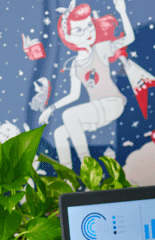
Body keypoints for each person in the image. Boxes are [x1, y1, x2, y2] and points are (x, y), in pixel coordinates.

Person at [39, 0, 135, 169]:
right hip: (97, 109)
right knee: (60, 133)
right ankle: (67, 178)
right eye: (79, 30)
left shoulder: (101, 48)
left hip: (113, 103)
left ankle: (88, 168)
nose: (87, 33)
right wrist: (51, 108)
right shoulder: (75, 66)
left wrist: (123, 12)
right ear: (68, 36)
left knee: (69, 115)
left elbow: (129, 38)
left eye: (89, 26)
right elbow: (73, 95)